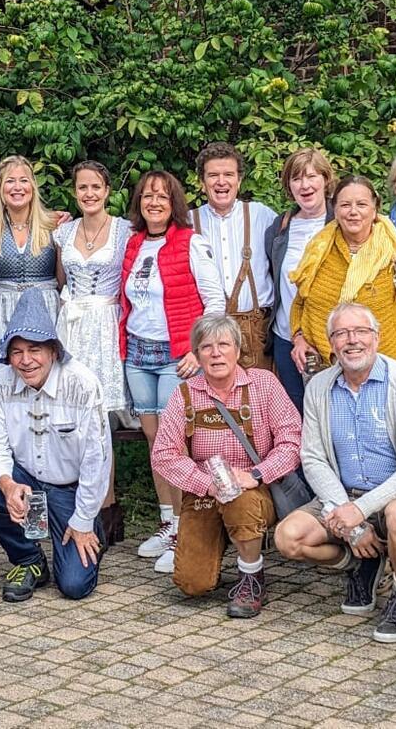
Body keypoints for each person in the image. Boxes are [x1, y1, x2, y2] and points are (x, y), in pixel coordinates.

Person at [275, 304, 396, 643]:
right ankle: (361, 562)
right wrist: (349, 520)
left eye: (361, 331)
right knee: (289, 538)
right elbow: (313, 457)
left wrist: (359, 512)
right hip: (343, 495)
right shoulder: (319, 387)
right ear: (331, 343)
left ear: (377, 337)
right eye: (342, 333)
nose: (352, 340)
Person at [149, 314, 301, 618]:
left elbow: (292, 440)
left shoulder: (264, 384)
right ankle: (222, 542)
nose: (216, 353)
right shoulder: (184, 395)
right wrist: (207, 485)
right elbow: (163, 454)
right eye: (206, 347)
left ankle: (251, 576)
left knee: (240, 502)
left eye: (224, 345)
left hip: (254, 490)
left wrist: (255, 474)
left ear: (238, 349)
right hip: (205, 492)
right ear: (197, 354)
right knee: (192, 583)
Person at [0, 289, 111, 602]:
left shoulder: (82, 383)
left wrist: (83, 520)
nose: (25, 361)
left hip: (70, 490)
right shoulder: (0, 383)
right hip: (27, 481)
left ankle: (92, 528)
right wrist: (9, 486)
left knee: (74, 586)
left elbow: (97, 459)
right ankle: (30, 560)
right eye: (17, 352)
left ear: (53, 351)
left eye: (34, 349)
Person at [121, 170, 225, 574]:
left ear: (174, 203)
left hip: (175, 355)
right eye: (147, 196)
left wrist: (200, 350)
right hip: (138, 353)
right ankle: (168, 521)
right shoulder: (133, 243)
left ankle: (187, 529)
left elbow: (215, 301)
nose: (154, 203)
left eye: (162, 197)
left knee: (175, 444)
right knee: (153, 442)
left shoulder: (191, 242)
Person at [53, 160, 132, 544]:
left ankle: (107, 507)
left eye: (96, 187)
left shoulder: (124, 230)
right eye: (82, 187)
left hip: (105, 326)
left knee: (100, 421)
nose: (89, 194)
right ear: (75, 192)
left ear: (107, 190)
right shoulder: (63, 231)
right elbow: (60, 281)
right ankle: (71, 503)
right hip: (71, 326)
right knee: (71, 418)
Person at [290, 175, 396, 378]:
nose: (353, 212)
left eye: (361, 205)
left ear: (374, 210)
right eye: (345, 205)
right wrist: (299, 337)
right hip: (325, 369)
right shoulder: (317, 251)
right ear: (335, 210)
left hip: (387, 368)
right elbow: (300, 303)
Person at [190, 142, 278, 370]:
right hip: (208, 333)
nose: (221, 181)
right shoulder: (188, 222)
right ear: (202, 182)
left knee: (258, 391)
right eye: (213, 175)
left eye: (228, 174)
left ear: (239, 180)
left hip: (255, 331)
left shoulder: (262, 216)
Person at [264, 147, 335, 411]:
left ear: (325, 179)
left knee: (332, 414)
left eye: (312, 176)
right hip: (286, 338)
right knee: (296, 415)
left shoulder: (340, 223)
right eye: (296, 178)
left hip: (330, 339)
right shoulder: (280, 227)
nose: (305, 185)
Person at [0, 155, 60, 388]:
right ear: (0, 188)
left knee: (44, 371)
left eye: (23, 181)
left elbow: (63, 276)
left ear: (33, 186)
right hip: (4, 305)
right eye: (10, 181)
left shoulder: (52, 222)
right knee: (4, 373)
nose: (17, 187)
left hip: (45, 305)